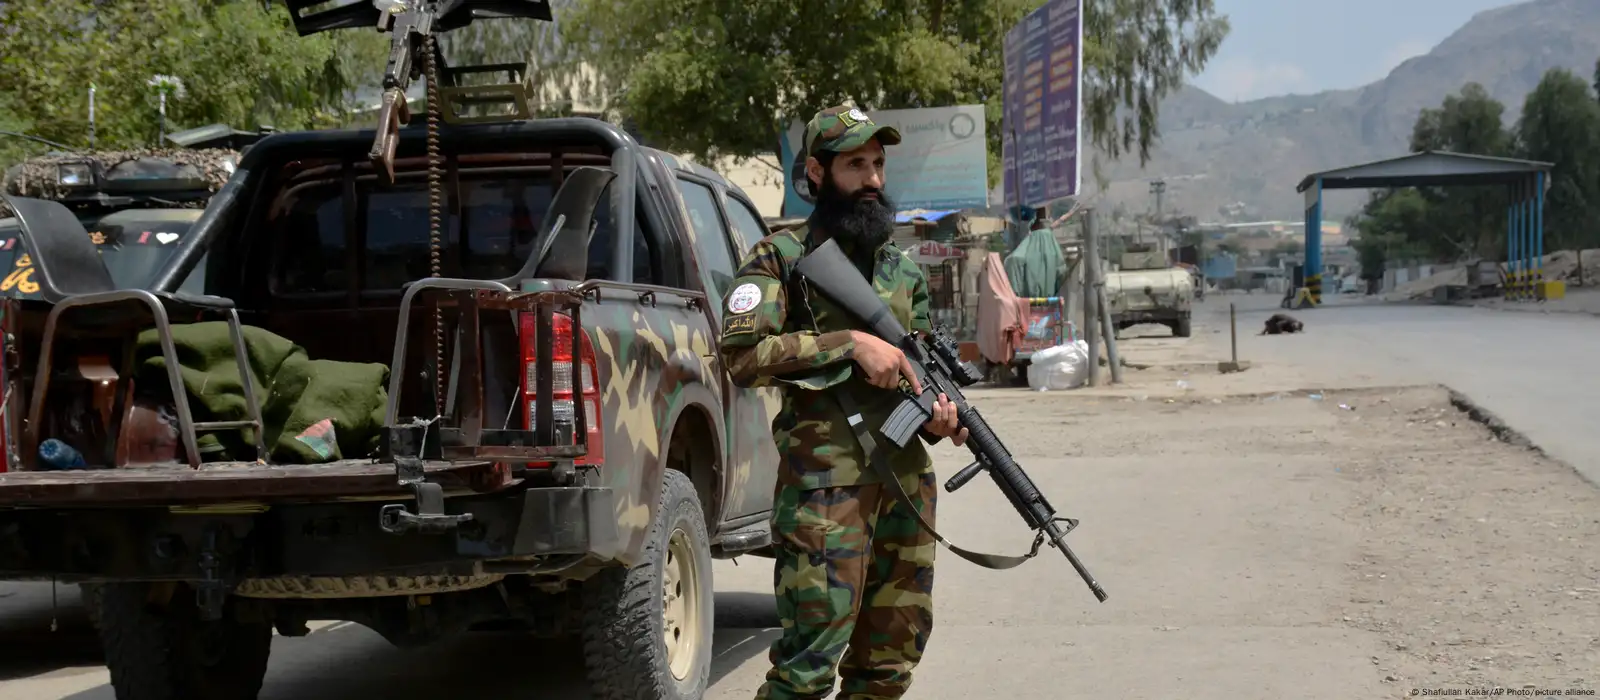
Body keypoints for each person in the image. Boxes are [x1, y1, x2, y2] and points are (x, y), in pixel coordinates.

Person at [718, 104, 969, 700]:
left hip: (905, 488)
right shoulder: (779, 258)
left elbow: (922, 371)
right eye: (856, 163)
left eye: (879, 163)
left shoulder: (902, 272)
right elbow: (741, 356)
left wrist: (942, 416)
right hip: (825, 491)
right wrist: (849, 345)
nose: (874, 177)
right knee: (806, 670)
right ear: (816, 170)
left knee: (888, 667)